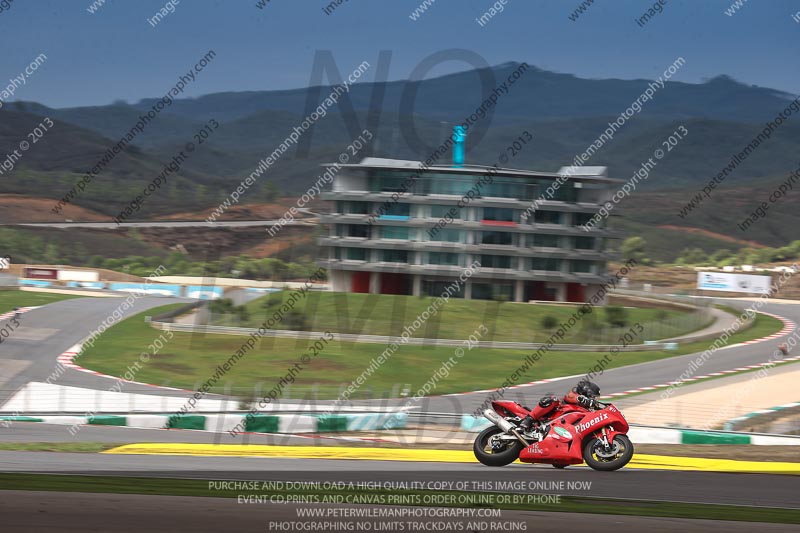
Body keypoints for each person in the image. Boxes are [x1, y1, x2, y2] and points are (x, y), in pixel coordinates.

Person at [520, 380, 602, 432]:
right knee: (552, 400)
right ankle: (528, 419)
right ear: (586, 393)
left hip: (566, 430)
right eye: (593, 397)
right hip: (550, 418)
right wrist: (584, 400)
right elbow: (570, 397)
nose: (595, 399)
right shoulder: (572, 396)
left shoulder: (587, 409)